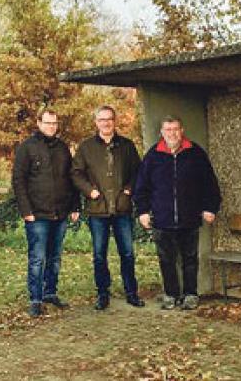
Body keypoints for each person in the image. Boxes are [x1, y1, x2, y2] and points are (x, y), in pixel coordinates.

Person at [133, 115, 221, 310]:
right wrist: (142, 211)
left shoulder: (195, 153)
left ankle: (190, 294)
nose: (172, 133)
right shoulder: (153, 155)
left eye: (175, 129)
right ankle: (171, 294)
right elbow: (141, 186)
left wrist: (210, 207)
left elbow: (210, 183)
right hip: (162, 218)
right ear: (161, 133)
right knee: (166, 259)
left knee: (190, 258)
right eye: (168, 129)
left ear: (182, 131)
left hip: (189, 217)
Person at [71, 105, 145, 310]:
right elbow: (76, 173)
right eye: (102, 119)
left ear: (114, 121)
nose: (106, 123)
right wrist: (89, 191)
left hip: (122, 208)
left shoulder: (127, 146)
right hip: (98, 209)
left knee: (128, 253)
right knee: (99, 254)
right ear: (96, 122)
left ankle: (132, 292)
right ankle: (102, 294)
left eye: (109, 119)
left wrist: (129, 190)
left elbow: (138, 172)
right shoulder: (86, 147)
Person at [12, 109, 80, 317]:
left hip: (60, 213)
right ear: (39, 123)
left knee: (55, 257)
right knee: (37, 258)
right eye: (48, 123)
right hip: (37, 214)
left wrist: (75, 206)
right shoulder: (27, 148)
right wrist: (26, 211)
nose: (51, 126)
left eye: (54, 123)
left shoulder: (62, 148)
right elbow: (18, 181)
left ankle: (50, 292)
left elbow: (71, 178)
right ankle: (35, 298)